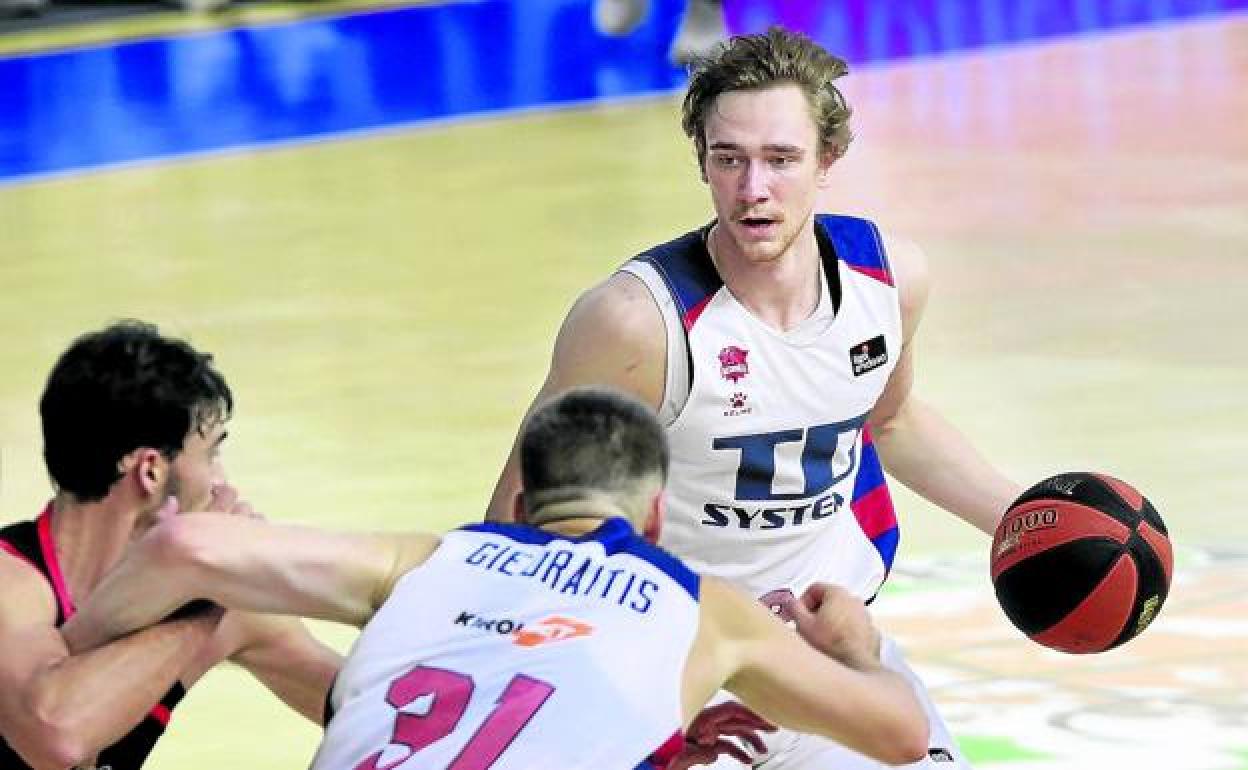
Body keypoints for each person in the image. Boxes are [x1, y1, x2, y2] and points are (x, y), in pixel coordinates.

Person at [485, 27, 1024, 769]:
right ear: (701, 161)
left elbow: (892, 421)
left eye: (780, 159)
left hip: (824, 655)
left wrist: (1026, 522)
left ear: (828, 160)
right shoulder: (635, 323)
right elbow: (514, 530)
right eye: (729, 158)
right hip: (671, 678)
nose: (753, 189)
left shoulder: (888, 282)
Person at [61, 387, 930, 770]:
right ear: (654, 518)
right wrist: (857, 650)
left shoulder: (428, 559)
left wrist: (62, 657)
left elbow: (187, 548)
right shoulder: (704, 609)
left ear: (518, 504)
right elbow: (897, 735)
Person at [0, 321, 341, 769]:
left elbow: (376, 711)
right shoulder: (10, 584)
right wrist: (209, 594)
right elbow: (56, 736)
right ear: (151, 471)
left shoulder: (223, 611)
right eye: (212, 453)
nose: (222, 482)